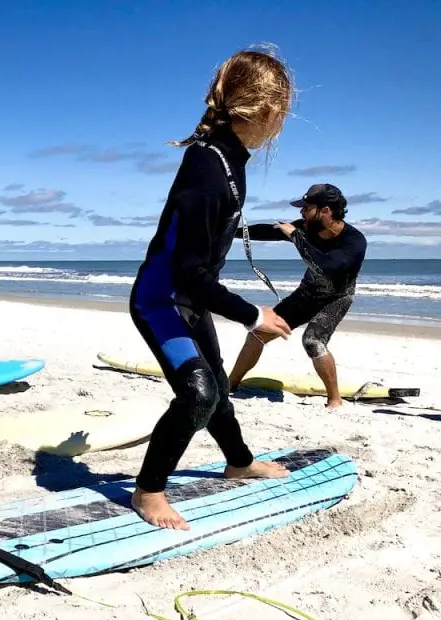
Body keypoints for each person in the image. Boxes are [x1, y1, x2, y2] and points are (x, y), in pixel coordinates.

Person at [128, 47, 296, 531]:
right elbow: (187, 271)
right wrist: (252, 315)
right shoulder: (208, 166)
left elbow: (207, 242)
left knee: (218, 386)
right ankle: (149, 490)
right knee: (198, 393)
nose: (283, 119)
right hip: (162, 301)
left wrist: (269, 232)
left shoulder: (227, 158)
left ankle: (238, 461)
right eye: (283, 108)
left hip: (190, 300)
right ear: (267, 110)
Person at [228, 183, 367, 408]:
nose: (301, 212)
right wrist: (230, 231)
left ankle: (335, 399)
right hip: (306, 295)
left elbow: (326, 266)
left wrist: (297, 238)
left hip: (336, 299)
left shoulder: (354, 241)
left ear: (326, 211)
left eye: (307, 207)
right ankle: (230, 384)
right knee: (258, 332)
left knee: (313, 341)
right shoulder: (305, 228)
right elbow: (268, 231)